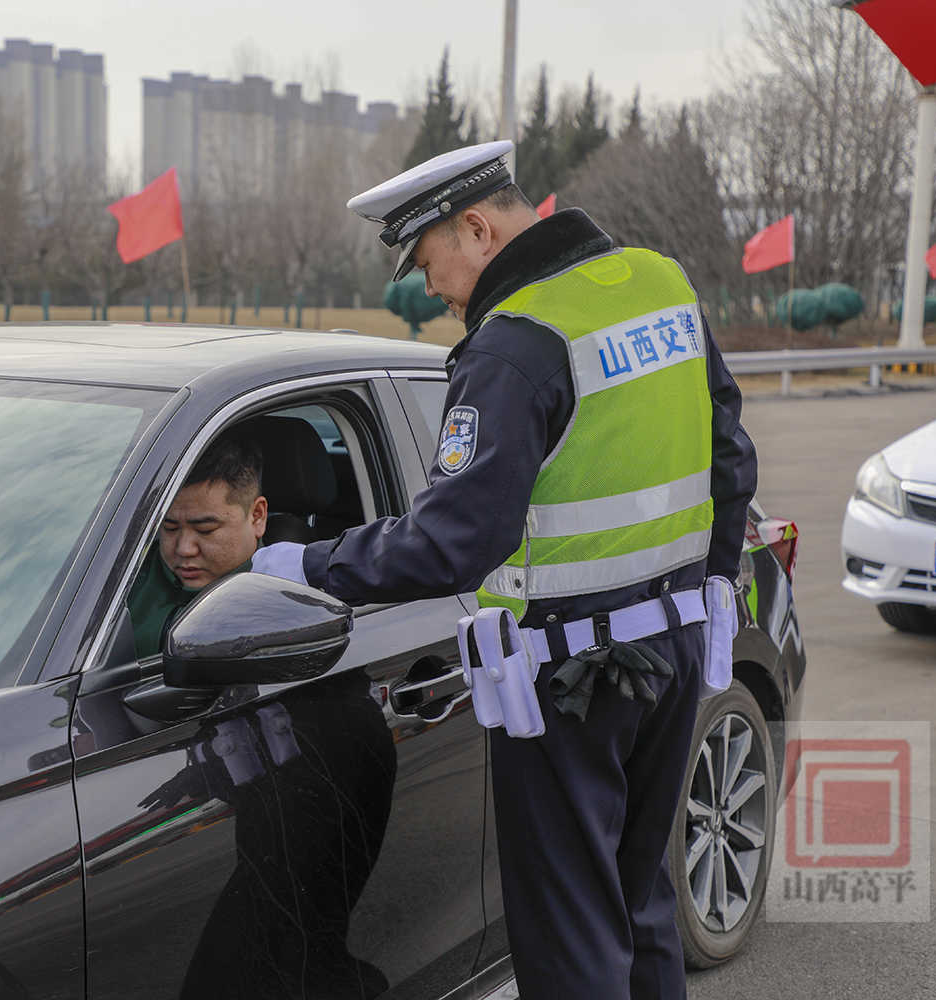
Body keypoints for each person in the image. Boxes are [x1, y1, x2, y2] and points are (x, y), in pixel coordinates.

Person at [251, 140, 757, 1000]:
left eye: (427, 263)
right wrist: (706, 592)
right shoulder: (661, 284)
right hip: (670, 657)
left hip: (572, 683)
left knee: (570, 940)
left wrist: (300, 560)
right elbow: (730, 461)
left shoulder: (514, 345)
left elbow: (452, 543)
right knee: (640, 907)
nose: (431, 291)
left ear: (478, 228)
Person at [127, 431, 268, 658]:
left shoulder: (281, 596)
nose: (184, 549)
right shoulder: (121, 577)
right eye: (169, 527)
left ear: (257, 517)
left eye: (205, 530)